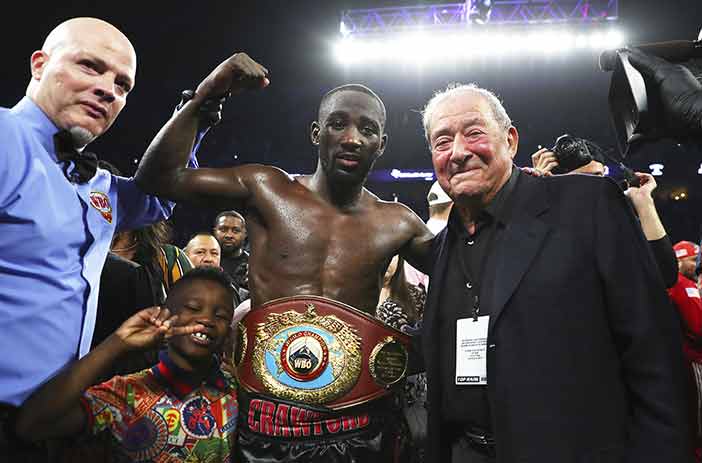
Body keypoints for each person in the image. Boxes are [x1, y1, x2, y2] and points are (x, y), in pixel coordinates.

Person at [134, 52, 434, 462]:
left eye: (367, 129)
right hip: (267, 421)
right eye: (338, 123)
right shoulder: (266, 188)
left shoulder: (398, 222)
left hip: (358, 422)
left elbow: (470, 270)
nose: (352, 138)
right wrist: (205, 96)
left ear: (381, 144)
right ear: (316, 133)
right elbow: (157, 178)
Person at [420, 83, 691, 462]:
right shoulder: (441, 247)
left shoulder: (588, 206)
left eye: (474, 133)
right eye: (442, 141)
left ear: (510, 141)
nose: (459, 152)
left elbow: (653, 350)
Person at [0, 17, 213, 420]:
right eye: (89, 66)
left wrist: (196, 113)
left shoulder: (98, 185)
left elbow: (161, 193)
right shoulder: (5, 139)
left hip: (50, 418)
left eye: (122, 85)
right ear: (39, 65)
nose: (107, 90)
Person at [14, 267, 238, 462]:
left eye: (220, 315)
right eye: (193, 307)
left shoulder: (236, 390)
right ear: (164, 313)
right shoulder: (126, 393)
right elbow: (30, 425)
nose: (207, 320)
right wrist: (116, 344)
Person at [670, 240, 702, 461]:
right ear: (680, 261)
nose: (696, 264)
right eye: (693, 260)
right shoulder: (683, 285)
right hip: (694, 363)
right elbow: (700, 327)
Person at [213, 211, 249, 289]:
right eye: (223, 230)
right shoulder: (205, 260)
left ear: (245, 234)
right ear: (215, 231)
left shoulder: (252, 265)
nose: (229, 235)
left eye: (235, 231)